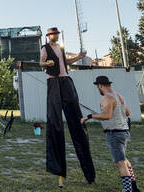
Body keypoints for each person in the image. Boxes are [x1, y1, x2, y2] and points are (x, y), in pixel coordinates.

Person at [39, 27, 96, 184]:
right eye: (53, 34)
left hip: (65, 81)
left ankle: (89, 174)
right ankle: (57, 168)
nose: (56, 36)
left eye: (57, 34)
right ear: (49, 36)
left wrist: (78, 57)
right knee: (55, 123)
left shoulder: (60, 48)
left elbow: (66, 62)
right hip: (53, 81)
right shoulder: (45, 48)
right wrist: (47, 63)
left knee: (76, 121)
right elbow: (41, 63)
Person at [81, 76, 140, 192]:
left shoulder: (106, 98)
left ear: (100, 85)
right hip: (124, 132)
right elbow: (127, 112)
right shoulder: (119, 96)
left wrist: (89, 117)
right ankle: (134, 187)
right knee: (124, 160)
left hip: (115, 134)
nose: (98, 88)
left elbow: (107, 116)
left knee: (120, 162)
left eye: (98, 86)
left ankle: (128, 190)